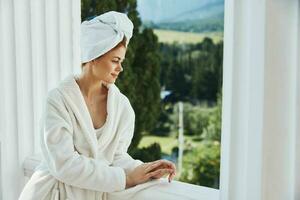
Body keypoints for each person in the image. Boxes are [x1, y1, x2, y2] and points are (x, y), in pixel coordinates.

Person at [18, 11, 179, 200]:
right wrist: (125, 179)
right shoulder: (59, 100)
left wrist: (145, 169)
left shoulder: (122, 107)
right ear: (94, 55)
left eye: (121, 61)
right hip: (52, 193)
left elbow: (116, 157)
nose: (120, 68)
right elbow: (63, 164)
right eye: (115, 61)